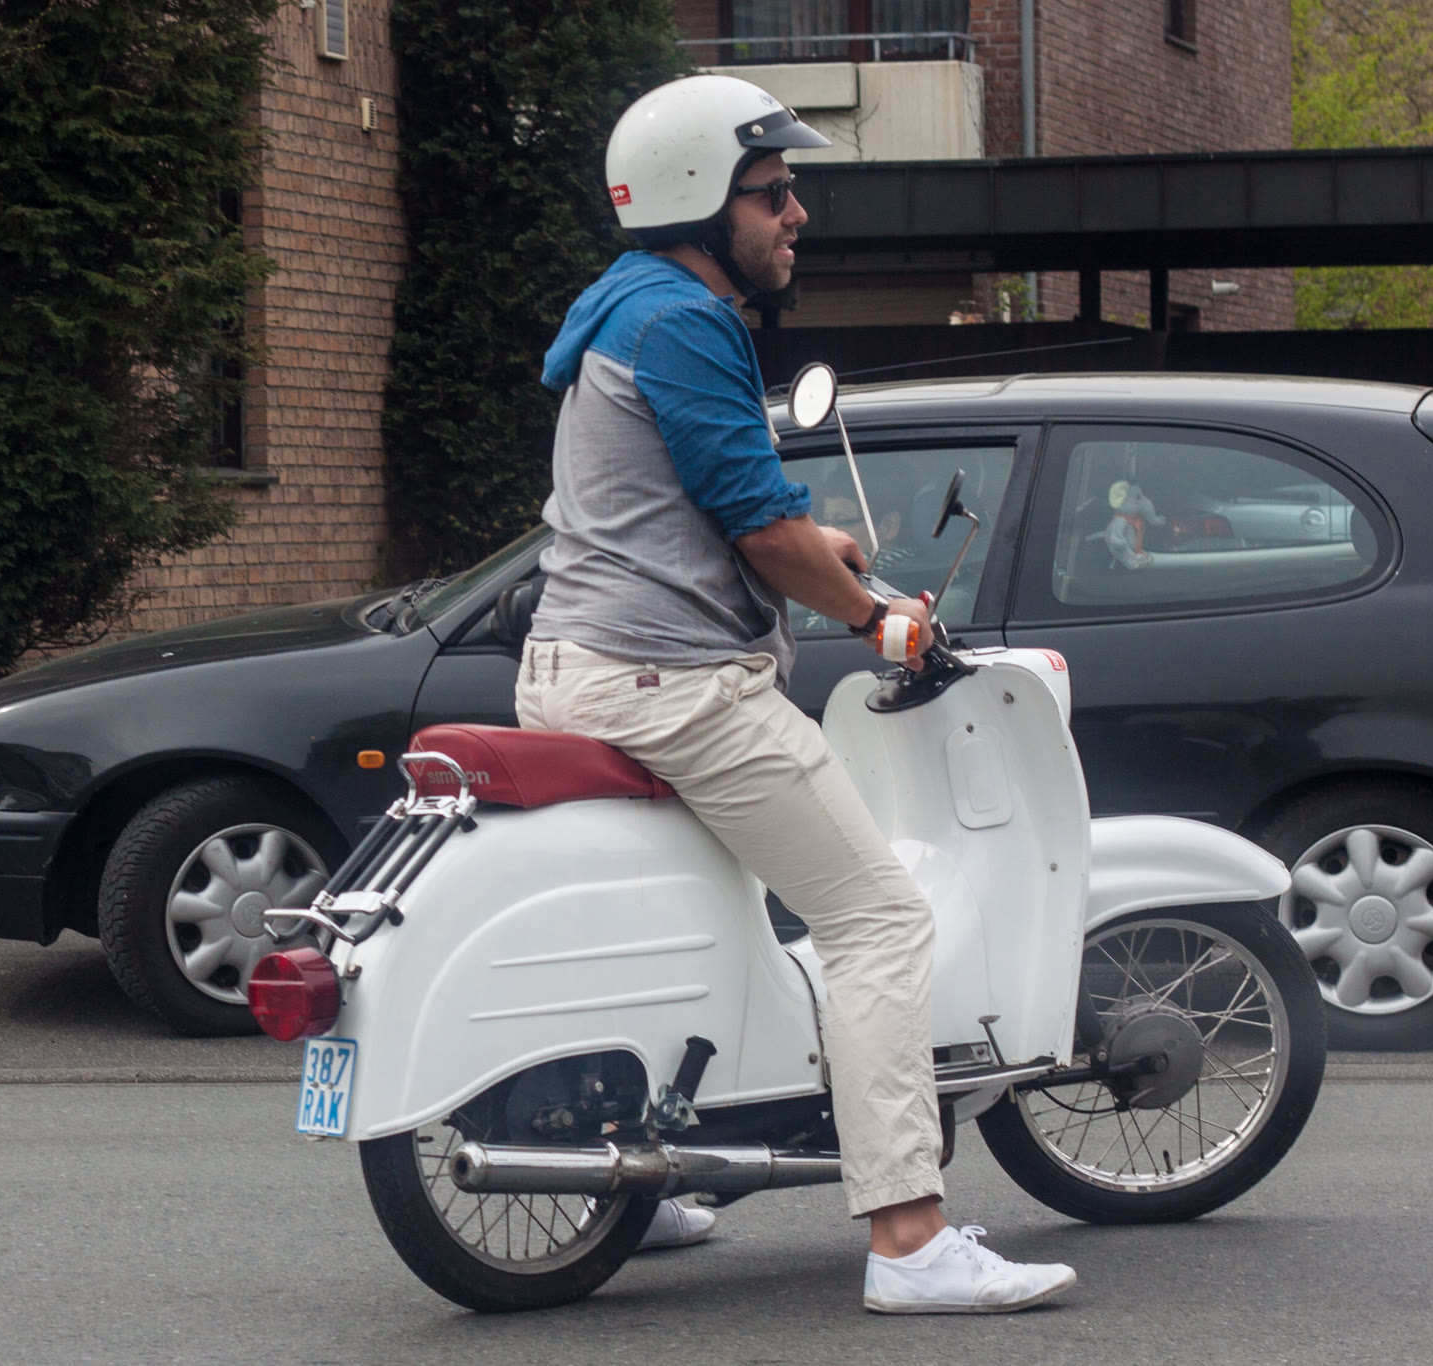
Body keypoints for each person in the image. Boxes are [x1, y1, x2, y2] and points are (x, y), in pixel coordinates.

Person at [512, 73, 1078, 1314]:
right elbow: (757, 535)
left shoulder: (621, 310)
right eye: (771, 193)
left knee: (685, 916)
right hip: (671, 684)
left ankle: (630, 1177)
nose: (795, 214)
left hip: (572, 669)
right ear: (698, 201)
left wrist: (824, 549)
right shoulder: (685, 324)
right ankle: (911, 1240)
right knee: (876, 920)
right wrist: (872, 616)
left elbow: (697, 507)